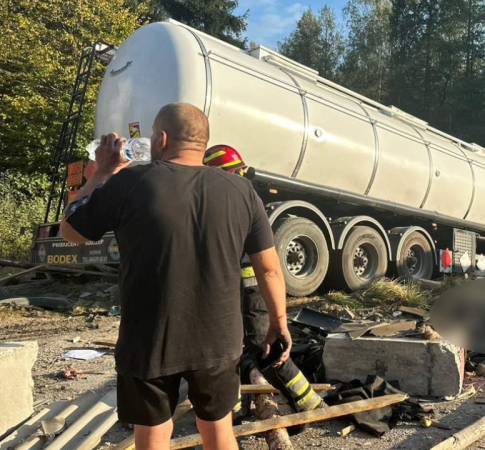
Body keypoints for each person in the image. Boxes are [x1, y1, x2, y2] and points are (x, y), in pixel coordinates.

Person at [59, 103, 292, 450]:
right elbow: (269, 268)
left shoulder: (131, 181)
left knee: (153, 435)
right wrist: (279, 322)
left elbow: (71, 231)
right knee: (218, 430)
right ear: (203, 142)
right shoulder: (242, 192)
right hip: (219, 339)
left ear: (162, 138)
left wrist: (102, 171)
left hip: (150, 340)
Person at [202, 145, 326, 416]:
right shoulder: (232, 202)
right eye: (235, 173)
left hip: (249, 293)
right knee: (232, 351)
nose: (239, 179)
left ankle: (307, 402)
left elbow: (267, 268)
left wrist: (277, 318)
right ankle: (235, 410)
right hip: (237, 293)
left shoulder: (231, 204)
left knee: (264, 346)